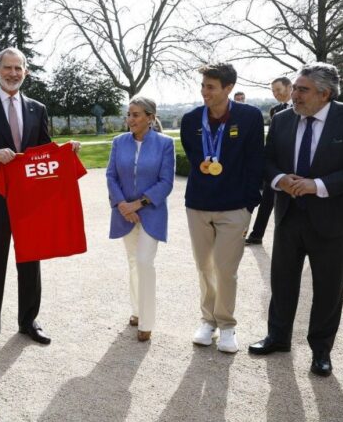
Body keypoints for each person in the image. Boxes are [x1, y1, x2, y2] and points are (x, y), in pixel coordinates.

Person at [0, 47, 80, 357]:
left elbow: (45, 151)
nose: (13, 73)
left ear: (26, 72)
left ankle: (28, 322)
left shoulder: (37, 109)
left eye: (18, 68)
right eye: (8, 68)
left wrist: (67, 150)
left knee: (30, 263)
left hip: (30, 204)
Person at [248, 63, 343, 377]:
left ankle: (321, 351)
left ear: (325, 93)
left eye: (302, 90)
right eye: (295, 89)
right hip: (288, 216)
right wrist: (279, 179)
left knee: (328, 289)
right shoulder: (282, 119)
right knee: (282, 281)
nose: (294, 95)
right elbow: (267, 160)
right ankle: (278, 337)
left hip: (332, 221)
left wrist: (318, 185)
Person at [180, 63, 264, 353]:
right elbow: (195, 159)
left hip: (235, 207)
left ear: (228, 88)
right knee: (204, 267)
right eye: (203, 85)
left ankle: (227, 325)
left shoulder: (249, 117)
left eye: (211, 87)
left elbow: (256, 161)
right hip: (198, 205)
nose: (204, 92)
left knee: (226, 269)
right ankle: (208, 321)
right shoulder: (191, 119)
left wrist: (249, 204)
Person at [106, 96, 174, 342]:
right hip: (124, 213)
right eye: (129, 114)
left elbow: (166, 182)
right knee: (134, 262)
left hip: (151, 213)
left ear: (150, 117)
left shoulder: (165, 144)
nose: (130, 119)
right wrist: (123, 205)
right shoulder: (119, 142)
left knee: (145, 262)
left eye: (136, 115)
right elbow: (111, 176)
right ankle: (136, 310)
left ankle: (147, 321)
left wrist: (138, 204)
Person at [245, 76, 292, 245]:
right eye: (273, 91)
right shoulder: (275, 110)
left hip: (295, 165)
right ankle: (256, 235)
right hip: (277, 165)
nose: (275, 94)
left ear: (289, 87)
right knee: (266, 201)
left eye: (278, 90)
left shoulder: (305, 107)